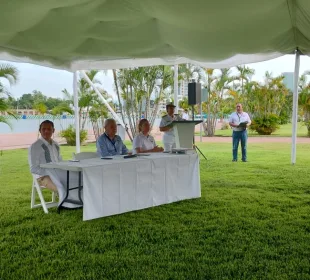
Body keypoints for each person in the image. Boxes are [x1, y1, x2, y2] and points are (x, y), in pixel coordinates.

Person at [28, 120, 80, 208]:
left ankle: (77, 203)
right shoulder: (35, 146)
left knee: (77, 180)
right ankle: (66, 205)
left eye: (49, 129)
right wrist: (51, 172)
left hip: (58, 173)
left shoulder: (56, 145)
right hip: (43, 177)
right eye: (43, 129)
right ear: (40, 130)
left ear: (53, 130)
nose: (46, 131)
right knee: (62, 186)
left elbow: (59, 162)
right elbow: (33, 168)